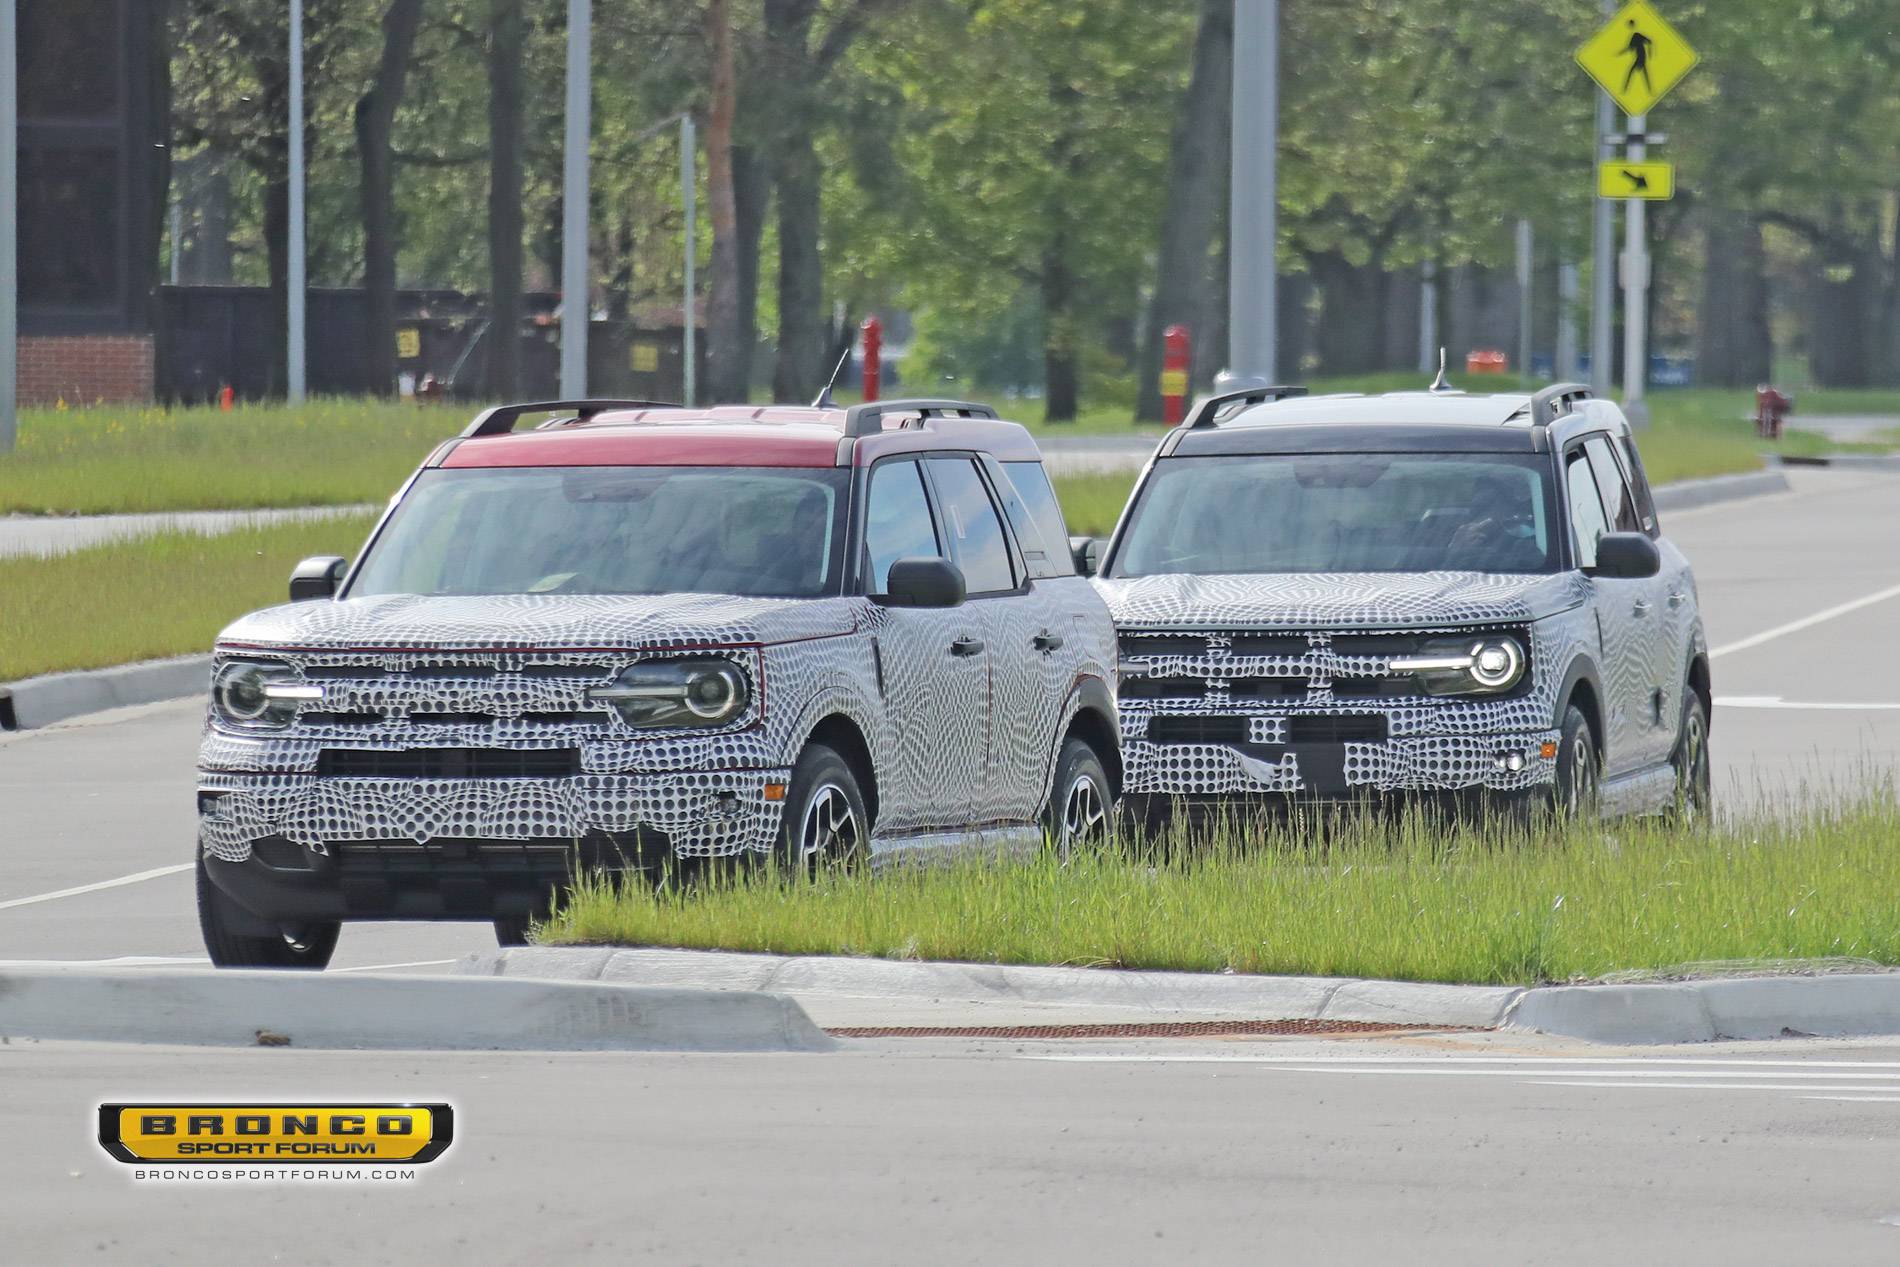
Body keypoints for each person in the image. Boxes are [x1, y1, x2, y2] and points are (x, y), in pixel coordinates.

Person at [1621, 20, 1654, 94]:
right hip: (1639, 57)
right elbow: (1630, 48)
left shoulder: (1637, 35)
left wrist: (1650, 52)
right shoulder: (1635, 37)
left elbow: (1649, 41)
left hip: (1641, 57)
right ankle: (1649, 90)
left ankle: (1625, 89)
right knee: (1639, 73)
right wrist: (1621, 53)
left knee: (1636, 72)